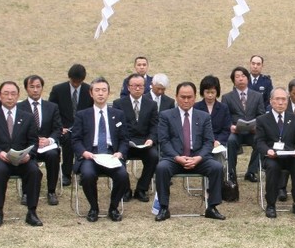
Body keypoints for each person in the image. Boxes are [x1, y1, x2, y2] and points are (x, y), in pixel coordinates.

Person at [154, 82, 225, 222]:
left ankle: (212, 207)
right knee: (161, 168)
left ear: (194, 98)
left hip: (198, 158)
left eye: (189, 97)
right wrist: (177, 157)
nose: (186, 100)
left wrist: (199, 157)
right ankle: (163, 207)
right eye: (182, 97)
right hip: (174, 158)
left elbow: (208, 141)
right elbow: (164, 141)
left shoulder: (203, 116)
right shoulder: (166, 116)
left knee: (217, 167)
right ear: (176, 97)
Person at [0, 81, 43, 227]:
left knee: (34, 171)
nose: (10, 97)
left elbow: (33, 141)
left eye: (13, 94)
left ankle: (32, 212)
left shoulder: (27, 117)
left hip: (22, 160)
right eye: (6, 94)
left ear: (18, 96)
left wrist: (28, 155)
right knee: (0, 171)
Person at [71, 77, 129, 222]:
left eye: (104, 90)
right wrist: (84, 153)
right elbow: (75, 139)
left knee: (123, 176)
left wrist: (120, 152)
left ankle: (113, 207)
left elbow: (124, 139)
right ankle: (94, 207)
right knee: (88, 175)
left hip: (111, 155)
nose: (100, 93)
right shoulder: (82, 115)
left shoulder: (118, 114)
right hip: (91, 155)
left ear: (108, 93)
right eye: (97, 90)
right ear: (91, 93)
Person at [255, 88, 295, 219]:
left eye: (283, 99)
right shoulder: (262, 120)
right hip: (272, 156)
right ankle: (271, 205)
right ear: (271, 101)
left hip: (290, 155)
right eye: (277, 99)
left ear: (287, 101)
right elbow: (259, 141)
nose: (280, 102)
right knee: (272, 168)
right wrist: (267, 150)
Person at [113, 73, 159, 201]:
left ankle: (142, 189)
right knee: (118, 158)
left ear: (145, 87)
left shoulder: (151, 104)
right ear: (128, 87)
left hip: (145, 142)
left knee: (154, 156)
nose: (137, 88)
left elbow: (155, 126)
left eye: (140, 86)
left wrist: (151, 139)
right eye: (134, 86)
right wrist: (125, 141)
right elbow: (116, 127)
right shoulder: (119, 104)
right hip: (125, 142)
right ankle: (125, 189)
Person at [18, 75, 63, 205]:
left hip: (46, 145)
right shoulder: (20, 107)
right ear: (26, 88)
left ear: (42, 88)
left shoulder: (52, 107)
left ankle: (51, 191)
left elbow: (58, 128)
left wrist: (49, 140)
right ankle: (26, 192)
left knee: (53, 155)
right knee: (26, 158)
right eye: (32, 87)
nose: (35, 90)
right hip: (28, 145)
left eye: (38, 87)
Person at [48, 63, 93, 187]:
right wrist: (60, 127)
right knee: (68, 141)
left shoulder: (88, 90)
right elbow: (52, 111)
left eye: (79, 82)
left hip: (83, 129)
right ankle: (66, 174)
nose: (76, 84)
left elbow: (91, 112)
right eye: (74, 81)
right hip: (64, 129)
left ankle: (83, 172)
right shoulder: (58, 90)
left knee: (86, 143)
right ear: (69, 78)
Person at [223, 66, 264, 182]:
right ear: (233, 80)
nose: (240, 79)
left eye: (243, 76)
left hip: (252, 131)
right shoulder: (227, 97)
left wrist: (257, 127)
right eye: (237, 77)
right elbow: (225, 116)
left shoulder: (257, 96)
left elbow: (261, 115)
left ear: (248, 78)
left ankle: (251, 172)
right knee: (230, 141)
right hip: (236, 131)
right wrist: (231, 126)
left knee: (260, 141)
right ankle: (231, 172)